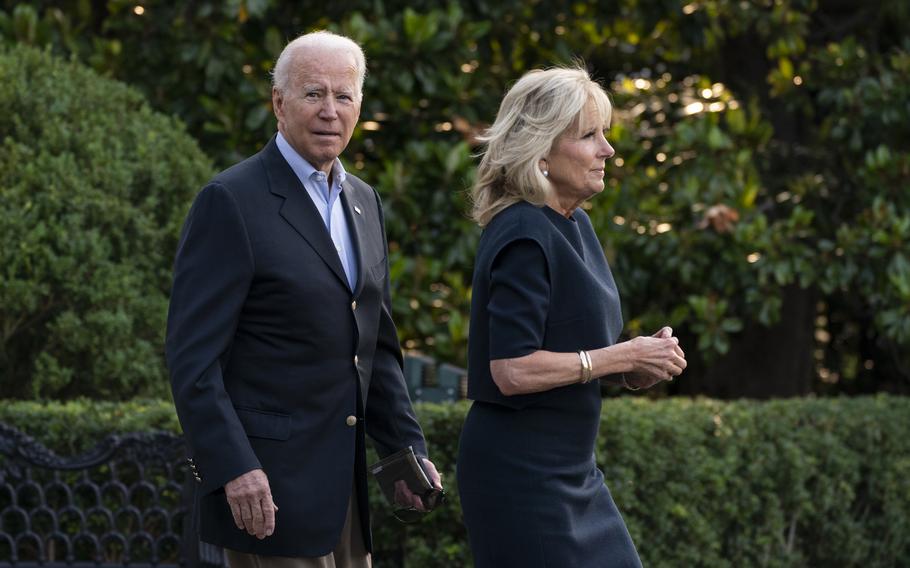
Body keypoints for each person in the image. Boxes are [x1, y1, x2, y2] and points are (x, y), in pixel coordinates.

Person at [165, 31, 441, 568]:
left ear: (360, 106)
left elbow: (376, 345)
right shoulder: (230, 201)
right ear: (278, 103)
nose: (330, 111)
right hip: (263, 496)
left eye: (344, 96)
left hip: (344, 495)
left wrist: (406, 451)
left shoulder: (365, 201)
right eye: (314, 93)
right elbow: (192, 359)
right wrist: (233, 468)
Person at [457, 66, 687, 567]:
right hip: (521, 475)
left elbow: (577, 347)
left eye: (604, 135)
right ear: (540, 150)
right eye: (589, 136)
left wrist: (634, 365)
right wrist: (621, 354)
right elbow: (511, 370)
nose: (607, 150)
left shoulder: (573, 223)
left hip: (573, 469)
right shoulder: (522, 231)